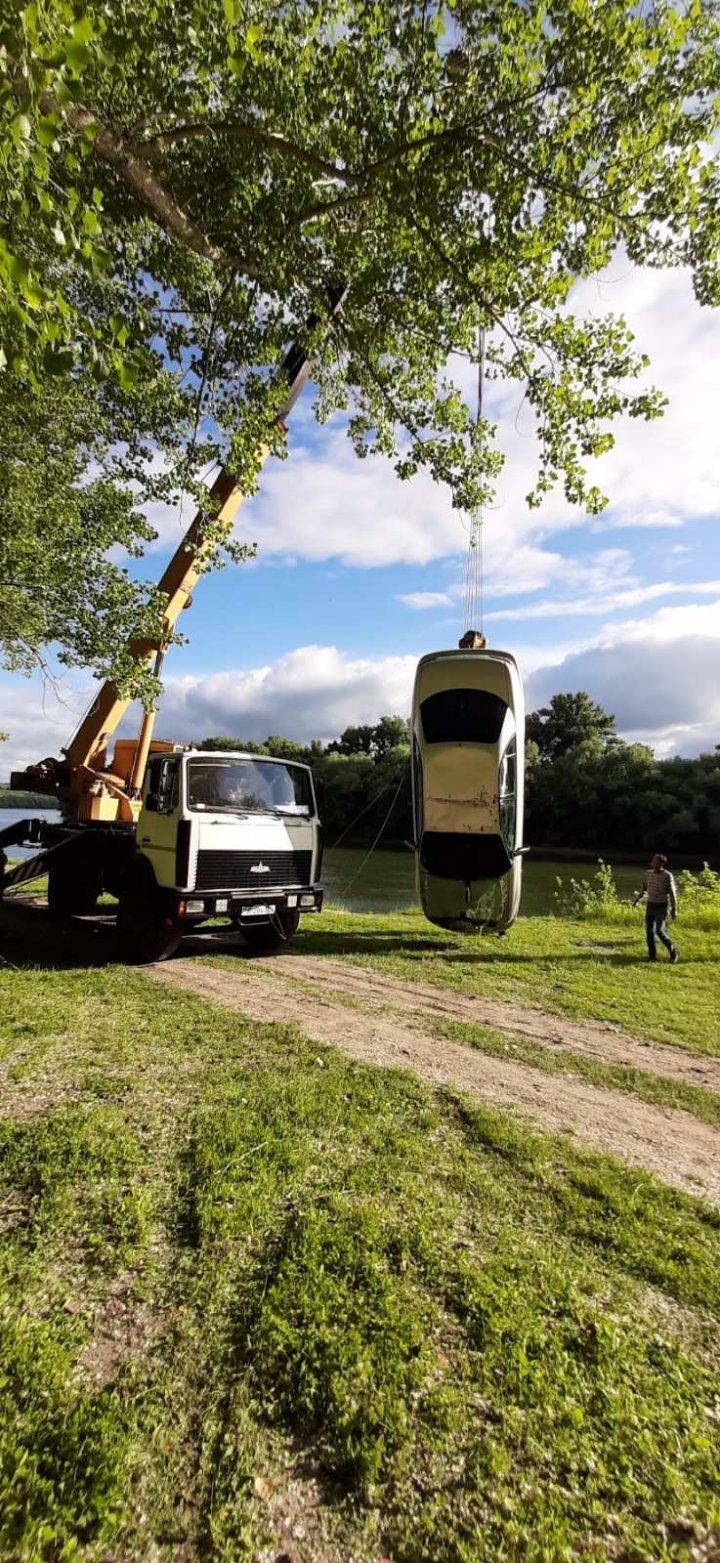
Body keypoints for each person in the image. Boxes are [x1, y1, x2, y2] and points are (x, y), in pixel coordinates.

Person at [633, 853, 679, 963]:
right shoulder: (648, 874)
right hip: (650, 905)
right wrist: (636, 900)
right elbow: (644, 889)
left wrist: (674, 909)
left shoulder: (667, 876)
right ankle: (652, 956)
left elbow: (672, 893)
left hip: (661, 906)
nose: (652, 862)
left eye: (654, 861)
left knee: (659, 931)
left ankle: (673, 952)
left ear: (661, 863)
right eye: (652, 860)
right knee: (649, 932)